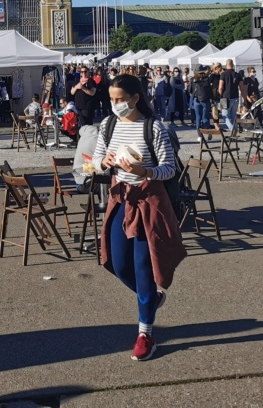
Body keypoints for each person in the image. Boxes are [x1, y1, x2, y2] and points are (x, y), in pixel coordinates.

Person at [92, 74, 186, 361]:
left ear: (135, 98)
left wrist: (145, 172)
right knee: (118, 264)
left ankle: (145, 333)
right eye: (112, 99)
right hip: (120, 199)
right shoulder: (108, 125)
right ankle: (152, 298)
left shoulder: (153, 127)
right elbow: (94, 161)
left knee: (143, 267)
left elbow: (170, 168)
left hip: (148, 202)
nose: (115, 104)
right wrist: (103, 162)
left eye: (120, 99)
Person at [71, 67, 100, 133]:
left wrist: (83, 88)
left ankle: (89, 136)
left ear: (88, 72)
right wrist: (76, 87)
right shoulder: (77, 81)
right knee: (82, 122)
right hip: (78, 105)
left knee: (87, 123)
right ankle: (84, 135)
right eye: (81, 72)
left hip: (87, 105)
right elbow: (72, 92)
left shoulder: (91, 81)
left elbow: (92, 93)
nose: (83, 73)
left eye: (85, 71)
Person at [219, 59, 242, 131]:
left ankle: (232, 128)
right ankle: (235, 129)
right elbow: (242, 87)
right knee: (233, 115)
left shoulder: (223, 74)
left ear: (226, 65)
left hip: (226, 97)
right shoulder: (237, 74)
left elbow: (221, 87)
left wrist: (220, 95)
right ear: (233, 65)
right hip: (235, 96)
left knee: (224, 115)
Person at [189, 68, 213, 136]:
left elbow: (190, 90)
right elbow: (209, 91)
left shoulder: (193, 80)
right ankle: (208, 131)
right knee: (205, 117)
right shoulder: (206, 79)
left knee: (198, 118)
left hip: (196, 100)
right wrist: (211, 98)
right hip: (205, 100)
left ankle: (199, 135)